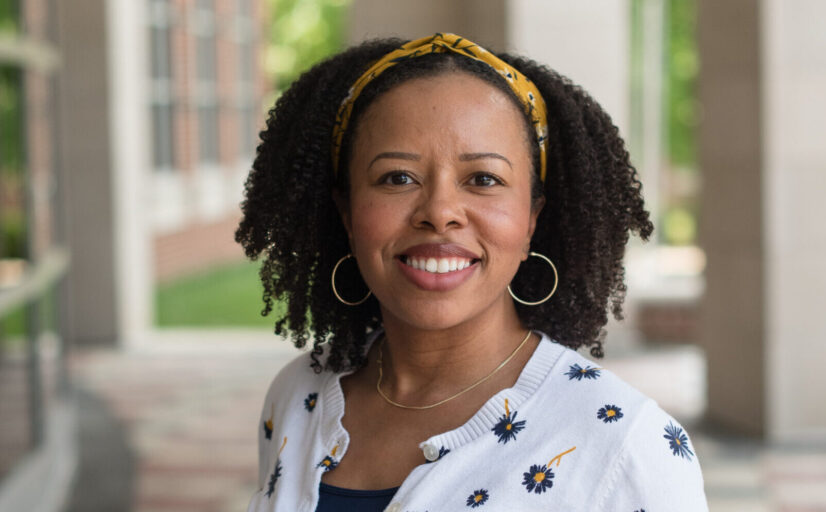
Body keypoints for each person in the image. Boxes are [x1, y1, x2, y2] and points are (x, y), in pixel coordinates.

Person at [236, 33, 708, 511]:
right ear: (347, 214)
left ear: (532, 219)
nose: (440, 212)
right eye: (398, 178)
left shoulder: (626, 446)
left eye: (484, 179)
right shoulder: (298, 396)